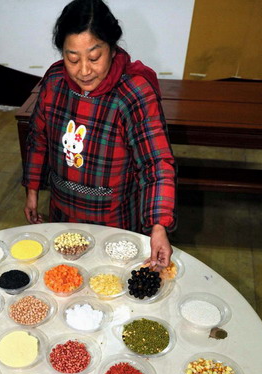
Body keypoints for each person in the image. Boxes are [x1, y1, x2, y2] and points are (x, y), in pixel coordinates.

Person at [22, 0, 177, 267]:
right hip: (62, 210)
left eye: (94, 57)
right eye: (72, 58)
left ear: (113, 48)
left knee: (107, 279)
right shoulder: (55, 81)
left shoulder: (133, 93)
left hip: (112, 219)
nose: (83, 70)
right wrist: (33, 189)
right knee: (66, 276)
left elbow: (156, 163)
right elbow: (38, 138)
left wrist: (158, 225)